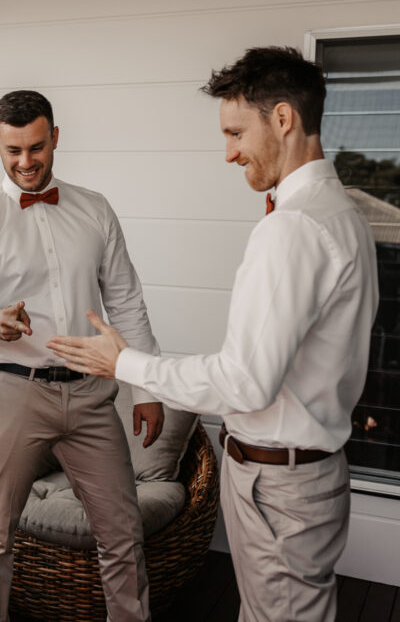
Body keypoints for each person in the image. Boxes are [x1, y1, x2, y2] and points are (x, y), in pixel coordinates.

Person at [48, 46, 378, 622]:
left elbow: (244, 382)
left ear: (282, 118)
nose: (228, 153)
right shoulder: (346, 214)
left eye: (234, 133)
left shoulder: (293, 229)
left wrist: (124, 363)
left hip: (280, 489)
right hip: (310, 476)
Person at [0, 89, 164, 622]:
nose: (25, 162)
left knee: (123, 533)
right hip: (12, 392)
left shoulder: (95, 209)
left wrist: (148, 389)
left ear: (55, 138)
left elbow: (127, 302)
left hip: (91, 395)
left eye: (36, 147)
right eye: (13, 150)